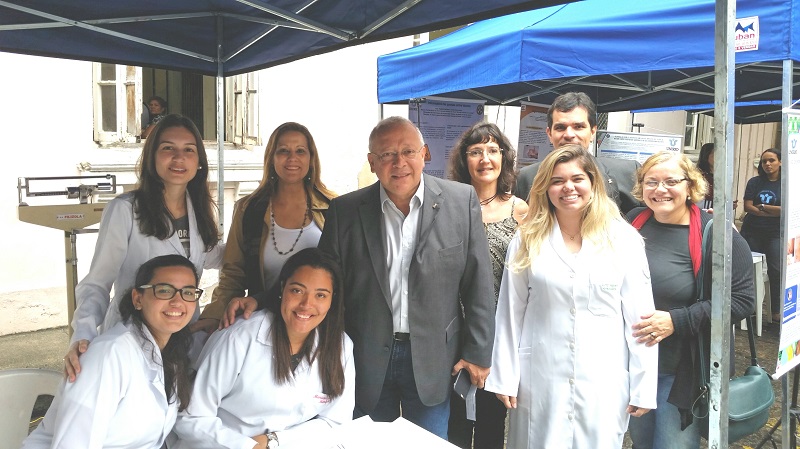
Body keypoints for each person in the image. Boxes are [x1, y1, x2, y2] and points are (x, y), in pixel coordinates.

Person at [317, 116, 495, 439]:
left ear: (424, 154)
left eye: (408, 151)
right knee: (367, 445)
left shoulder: (461, 201)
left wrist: (478, 353)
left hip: (434, 358)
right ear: (372, 163)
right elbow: (326, 286)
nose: (399, 163)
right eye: (386, 154)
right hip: (366, 357)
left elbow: (478, 285)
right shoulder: (345, 211)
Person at [486, 144, 657, 449]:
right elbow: (510, 312)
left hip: (603, 377)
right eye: (557, 181)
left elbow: (641, 318)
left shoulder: (623, 239)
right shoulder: (527, 239)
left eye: (577, 179)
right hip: (541, 375)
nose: (568, 188)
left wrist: (644, 384)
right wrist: (504, 375)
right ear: (545, 188)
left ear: (593, 183)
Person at [65, 114, 224, 381]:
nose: (179, 158)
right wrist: (83, 335)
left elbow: (208, 256)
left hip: (181, 334)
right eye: (168, 148)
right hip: (130, 335)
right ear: (152, 157)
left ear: (199, 162)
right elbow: (97, 282)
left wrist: (259, 241)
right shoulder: (125, 209)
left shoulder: (199, 210)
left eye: (189, 150)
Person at [626, 151, 755, 449]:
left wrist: (677, 320)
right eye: (651, 182)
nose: (660, 189)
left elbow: (742, 300)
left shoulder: (718, 235)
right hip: (636, 364)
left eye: (671, 181)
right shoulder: (633, 222)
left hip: (681, 370)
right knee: (641, 442)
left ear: (690, 185)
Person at [171, 248, 354, 449]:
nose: (306, 304)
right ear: (282, 288)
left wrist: (272, 442)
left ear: (332, 299)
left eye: (320, 295)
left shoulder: (340, 346)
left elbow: (335, 422)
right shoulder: (240, 337)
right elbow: (191, 417)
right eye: (297, 290)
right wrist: (247, 446)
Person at [23, 254, 199, 448]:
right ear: (138, 299)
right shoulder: (109, 355)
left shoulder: (171, 353)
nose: (177, 301)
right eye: (164, 290)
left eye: (188, 292)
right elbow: (74, 443)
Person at [195, 122, 337, 333]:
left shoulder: (333, 209)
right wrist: (214, 315)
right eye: (283, 151)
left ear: (311, 158)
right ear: (271, 157)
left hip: (318, 325)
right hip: (263, 324)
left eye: (300, 151)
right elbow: (233, 273)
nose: (292, 158)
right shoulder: (249, 210)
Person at [446, 122, 527, 449]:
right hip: (454, 330)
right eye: (475, 151)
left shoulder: (520, 210)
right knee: (455, 423)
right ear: (463, 159)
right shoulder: (448, 206)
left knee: (492, 424)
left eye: (493, 150)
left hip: (500, 332)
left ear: (504, 157)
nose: (485, 159)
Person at [514, 92, 641, 214]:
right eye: (560, 127)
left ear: (593, 132)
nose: (569, 135)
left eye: (578, 127)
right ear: (549, 134)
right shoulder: (526, 178)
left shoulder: (628, 173)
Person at [740, 148, 782, 322]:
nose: (767, 164)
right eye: (764, 161)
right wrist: (773, 212)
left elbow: (785, 210)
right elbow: (748, 207)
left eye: (771, 160)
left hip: (775, 234)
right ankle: (748, 308)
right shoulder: (755, 182)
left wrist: (763, 207)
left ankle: (776, 311)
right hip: (752, 232)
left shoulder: (786, 184)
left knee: (776, 270)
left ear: (780, 162)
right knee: (746, 270)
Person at [695, 142, 738, 212]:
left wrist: (728, 205)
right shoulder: (698, 175)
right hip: (703, 210)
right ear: (706, 156)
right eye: (715, 154)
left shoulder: (721, 175)